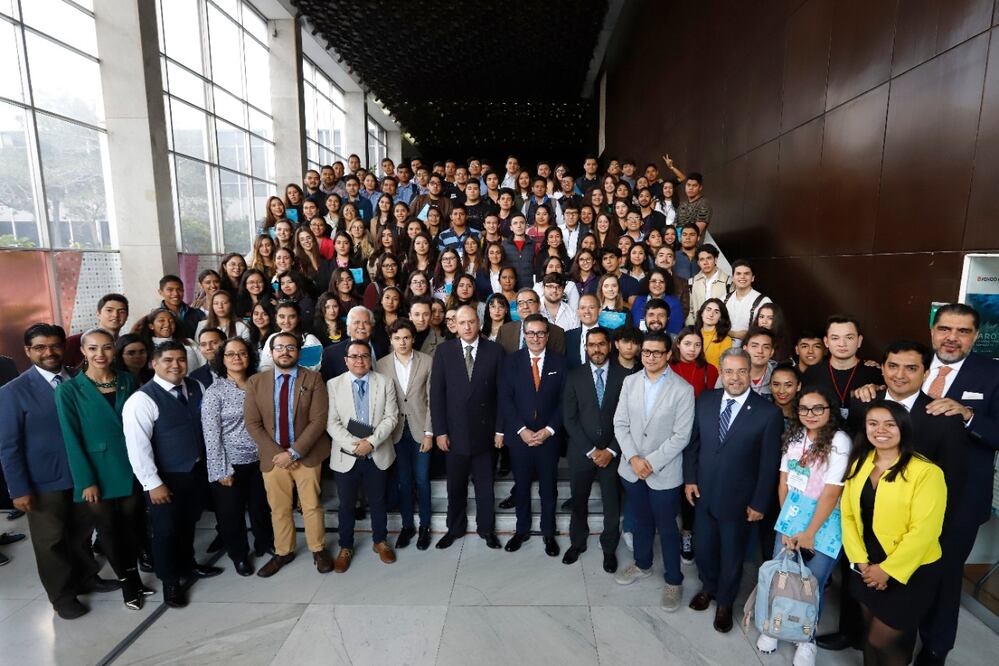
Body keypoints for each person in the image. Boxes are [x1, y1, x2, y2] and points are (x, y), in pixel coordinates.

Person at [0, 324, 110, 619]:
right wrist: (18, 489)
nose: (49, 352)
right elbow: (8, 446)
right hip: (42, 481)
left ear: (64, 347)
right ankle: (62, 596)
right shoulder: (12, 392)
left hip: (83, 476)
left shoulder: (80, 379)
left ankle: (87, 577)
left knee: (82, 532)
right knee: (51, 541)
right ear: (28, 351)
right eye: (40, 347)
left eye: (54, 345)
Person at [683, 348, 783, 633]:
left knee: (732, 555)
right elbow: (694, 444)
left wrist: (759, 502)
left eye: (742, 371)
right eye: (729, 371)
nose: (735, 377)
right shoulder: (705, 400)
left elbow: (768, 464)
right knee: (703, 550)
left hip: (739, 501)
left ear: (751, 373)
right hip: (703, 495)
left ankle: (726, 602)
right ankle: (709, 588)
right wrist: (690, 479)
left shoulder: (767, 413)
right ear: (721, 373)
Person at [841, 401, 946, 666]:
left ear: (903, 428)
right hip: (866, 563)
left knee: (883, 640)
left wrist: (887, 570)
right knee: (869, 635)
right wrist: (860, 560)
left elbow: (925, 531)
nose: (881, 430)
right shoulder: (860, 462)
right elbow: (849, 515)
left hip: (909, 568)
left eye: (890, 424)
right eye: (873, 424)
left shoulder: (926, 472)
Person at [122, 341, 224, 609]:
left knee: (188, 523)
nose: (176, 365)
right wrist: (153, 484)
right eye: (168, 360)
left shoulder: (195, 387)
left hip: (195, 472)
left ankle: (189, 565)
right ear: (154, 363)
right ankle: (170, 581)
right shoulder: (142, 399)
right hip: (164, 477)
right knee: (165, 531)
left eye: (180, 359)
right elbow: (138, 448)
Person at [55, 328, 149, 611]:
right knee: (108, 530)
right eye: (93, 349)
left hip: (130, 465)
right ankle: (127, 584)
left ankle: (133, 574)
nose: (100, 354)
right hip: (97, 472)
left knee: (132, 526)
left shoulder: (126, 380)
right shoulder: (68, 390)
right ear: (83, 352)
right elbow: (71, 439)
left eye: (107, 348)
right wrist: (86, 481)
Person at [755, 386, 850, 665]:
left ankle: (805, 639)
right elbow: (784, 480)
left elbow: (832, 491)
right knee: (782, 574)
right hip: (792, 514)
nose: (810, 414)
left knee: (811, 582)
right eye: (804, 409)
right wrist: (787, 520)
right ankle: (774, 626)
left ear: (830, 411)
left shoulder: (839, 440)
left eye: (818, 408)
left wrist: (809, 533)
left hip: (824, 520)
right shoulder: (796, 436)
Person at [612, 331, 695, 612]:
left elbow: (681, 436)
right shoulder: (630, 382)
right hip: (632, 469)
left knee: (668, 528)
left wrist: (650, 462)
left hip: (664, 472)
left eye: (657, 353)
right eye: (646, 352)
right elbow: (620, 423)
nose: (650, 357)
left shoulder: (682, 389)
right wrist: (634, 458)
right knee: (641, 520)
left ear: (669, 354)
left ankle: (674, 580)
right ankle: (643, 564)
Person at [244, 332, 333, 577]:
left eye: (291, 347)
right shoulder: (256, 382)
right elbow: (252, 423)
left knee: (311, 506)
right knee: (279, 508)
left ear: (298, 352)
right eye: (280, 347)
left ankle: (318, 549)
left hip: (307, 454)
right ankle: (284, 551)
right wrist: (278, 454)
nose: (285, 351)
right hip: (274, 460)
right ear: (271, 352)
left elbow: (318, 420)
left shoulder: (313, 379)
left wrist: (293, 453)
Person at [430, 305, 504, 550]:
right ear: (455, 326)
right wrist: (440, 431)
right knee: (455, 486)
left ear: (479, 323)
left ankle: (487, 529)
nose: (468, 327)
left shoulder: (495, 351)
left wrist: (500, 430)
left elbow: (503, 396)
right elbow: (437, 395)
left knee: (485, 487)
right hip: (454, 434)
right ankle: (455, 528)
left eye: (472, 322)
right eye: (463, 323)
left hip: (486, 434)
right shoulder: (444, 352)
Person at [201, 338, 273, 577]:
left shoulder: (258, 383)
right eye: (230, 354)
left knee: (260, 507)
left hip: (260, 458)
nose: (237, 358)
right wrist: (221, 470)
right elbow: (211, 435)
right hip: (230, 463)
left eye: (242, 353)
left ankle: (265, 543)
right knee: (231, 514)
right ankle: (239, 556)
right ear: (222, 360)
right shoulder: (215, 392)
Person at [327, 340, 400, 572]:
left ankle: (380, 541)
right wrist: (354, 445)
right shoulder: (333, 384)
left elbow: (392, 417)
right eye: (354, 356)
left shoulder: (385, 382)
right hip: (346, 455)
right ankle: (346, 546)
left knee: (378, 501)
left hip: (376, 453)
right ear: (346, 360)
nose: (360, 360)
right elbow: (331, 422)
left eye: (364, 356)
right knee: (346, 504)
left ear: (371, 359)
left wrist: (370, 442)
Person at [499, 315, 567, 557]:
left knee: (549, 488)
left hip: (549, 438)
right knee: (522, 486)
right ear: (524, 335)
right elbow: (505, 400)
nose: (536, 338)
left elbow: (564, 402)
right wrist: (522, 430)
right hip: (520, 438)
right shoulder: (512, 362)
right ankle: (522, 530)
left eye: (540, 333)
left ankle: (549, 532)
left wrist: (549, 430)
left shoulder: (561, 362)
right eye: (531, 333)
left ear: (547, 336)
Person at [561, 327, 626, 573]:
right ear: (585, 348)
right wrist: (590, 450)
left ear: (609, 346)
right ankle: (577, 543)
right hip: (581, 453)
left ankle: (609, 549)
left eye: (601, 344)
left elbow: (629, 418)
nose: (596, 349)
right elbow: (569, 418)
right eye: (592, 345)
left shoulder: (624, 376)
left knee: (612, 505)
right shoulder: (574, 375)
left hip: (612, 454)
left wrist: (611, 450)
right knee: (579, 502)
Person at [376, 319, 435, 550]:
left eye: (406, 337)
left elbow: (432, 400)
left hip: (421, 430)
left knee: (422, 480)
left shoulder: (427, 361)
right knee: (403, 481)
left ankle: (425, 527)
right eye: (397, 338)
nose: (402, 342)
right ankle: (407, 526)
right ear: (391, 339)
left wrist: (430, 432)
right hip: (395, 432)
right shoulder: (381, 365)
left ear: (413, 338)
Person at [802, 316, 883, 421]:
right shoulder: (812, 373)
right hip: (824, 435)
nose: (842, 344)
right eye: (835, 338)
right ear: (826, 342)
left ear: (859, 341)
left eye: (849, 338)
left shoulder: (875, 373)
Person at [63, 293, 130, 367]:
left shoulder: (126, 345)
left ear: (127, 317)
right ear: (98, 314)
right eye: (109, 310)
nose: (115, 315)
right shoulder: (75, 342)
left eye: (121, 312)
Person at [495, 288, 567, 355]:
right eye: (521, 303)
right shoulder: (504, 331)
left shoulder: (557, 333)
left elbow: (558, 364)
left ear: (539, 305)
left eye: (530, 302)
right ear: (517, 308)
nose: (525, 306)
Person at [259, 301, 323, 372]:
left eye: (292, 317)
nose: (286, 321)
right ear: (276, 318)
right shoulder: (272, 338)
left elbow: (312, 369)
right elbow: (265, 367)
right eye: (282, 317)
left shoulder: (310, 340)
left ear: (298, 318)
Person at [724, 261, 771, 345]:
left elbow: (769, 330)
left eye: (746, 273)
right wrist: (735, 334)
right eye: (738, 273)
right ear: (733, 278)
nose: (742, 277)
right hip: (723, 351)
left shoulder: (764, 301)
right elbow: (714, 326)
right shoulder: (723, 299)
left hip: (751, 352)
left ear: (752, 278)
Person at [687, 244, 729, 325]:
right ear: (698, 263)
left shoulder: (728, 282)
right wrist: (693, 329)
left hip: (720, 329)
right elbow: (689, 309)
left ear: (715, 259)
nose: (705, 262)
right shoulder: (691, 282)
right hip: (698, 329)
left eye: (709, 258)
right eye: (702, 259)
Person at [158, 275, 205, 339]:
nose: (175, 294)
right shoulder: (156, 318)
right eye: (170, 290)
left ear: (183, 291)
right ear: (160, 292)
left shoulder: (198, 314)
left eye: (179, 289)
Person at [694, 298, 732, 369]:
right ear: (702, 313)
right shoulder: (691, 334)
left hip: (713, 378)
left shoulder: (725, 340)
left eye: (716, 312)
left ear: (720, 317)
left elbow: (724, 368)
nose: (711, 314)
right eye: (708, 310)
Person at [744, 327, 777, 397]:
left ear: (772, 352)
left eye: (766, 347)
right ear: (745, 350)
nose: (760, 351)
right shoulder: (730, 371)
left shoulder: (779, 375)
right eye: (754, 346)